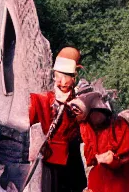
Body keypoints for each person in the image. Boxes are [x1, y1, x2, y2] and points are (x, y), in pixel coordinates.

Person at [28, 47, 88, 192]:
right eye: (57, 76)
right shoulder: (41, 99)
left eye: (65, 77)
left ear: (73, 78)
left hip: (72, 158)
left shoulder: (81, 100)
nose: (61, 82)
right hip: (50, 157)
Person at [75, 91, 129, 192]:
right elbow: (90, 160)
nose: (90, 118)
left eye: (92, 113)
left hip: (119, 181)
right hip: (99, 181)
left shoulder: (120, 125)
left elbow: (128, 156)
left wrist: (113, 160)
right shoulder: (86, 127)